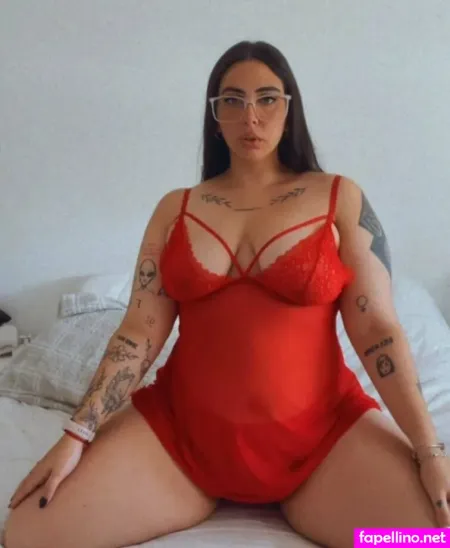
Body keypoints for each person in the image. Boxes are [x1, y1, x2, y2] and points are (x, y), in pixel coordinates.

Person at [3, 40, 450, 548]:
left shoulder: (338, 198)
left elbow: (377, 331)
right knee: (28, 533)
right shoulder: (176, 209)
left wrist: (429, 449)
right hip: (181, 443)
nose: (250, 117)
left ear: (289, 107)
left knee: (426, 539)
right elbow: (138, 333)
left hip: (322, 447)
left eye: (267, 99)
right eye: (232, 100)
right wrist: (77, 433)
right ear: (215, 116)